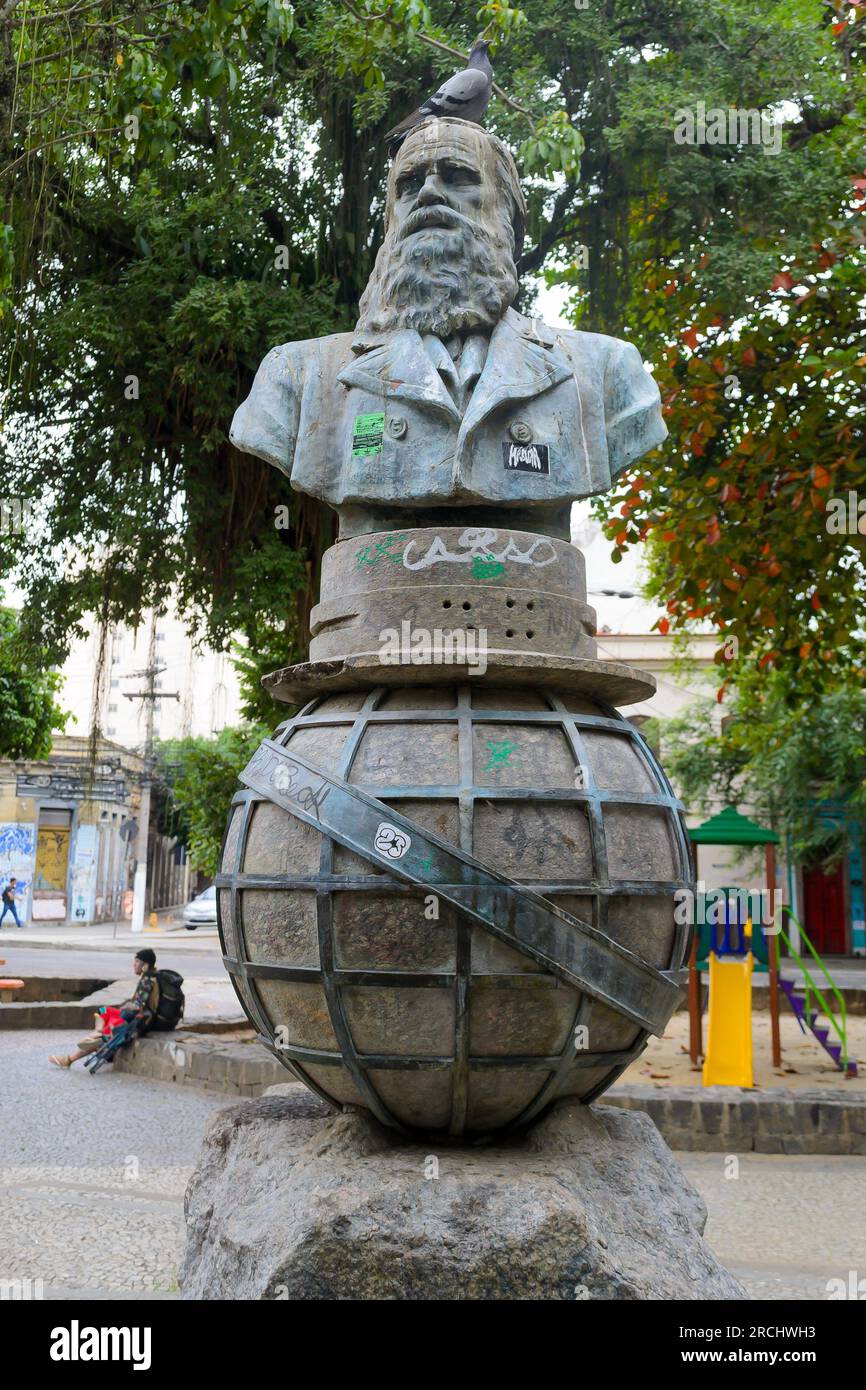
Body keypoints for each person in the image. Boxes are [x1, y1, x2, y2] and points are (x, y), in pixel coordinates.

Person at [230, 116, 666, 541]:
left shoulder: (604, 371)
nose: (430, 194)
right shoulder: (299, 377)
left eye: (458, 177)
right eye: (409, 184)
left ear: (506, 213)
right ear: (391, 222)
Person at [49, 948, 160, 1069]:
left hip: (140, 1021)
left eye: (137, 961)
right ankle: (98, 1033)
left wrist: (124, 1008)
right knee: (103, 1011)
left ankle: (71, 1058)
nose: (134, 964)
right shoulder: (152, 976)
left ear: (146, 964)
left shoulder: (147, 979)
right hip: (136, 1016)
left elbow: (138, 1007)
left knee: (109, 1029)